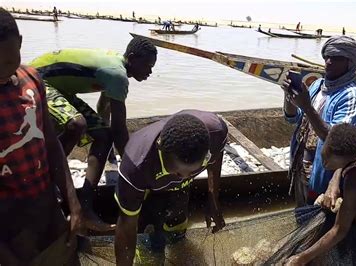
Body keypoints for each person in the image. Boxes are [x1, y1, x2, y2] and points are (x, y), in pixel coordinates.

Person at [0, 8, 110, 265]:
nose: (3, 71)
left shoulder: (33, 80)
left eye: (7, 62)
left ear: (20, 44)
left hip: (46, 204)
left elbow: (51, 144)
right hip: (8, 220)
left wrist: (73, 203)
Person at [29, 37, 157, 220]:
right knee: (76, 124)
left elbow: (103, 109)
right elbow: (120, 130)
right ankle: (48, 177)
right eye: (147, 65)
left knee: (103, 135)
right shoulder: (117, 74)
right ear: (132, 58)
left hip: (60, 87)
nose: (150, 71)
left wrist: (108, 148)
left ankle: (86, 204)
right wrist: (132, 171)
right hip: (35, 79)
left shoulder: (116, 71)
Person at [114, 110, 228, 265]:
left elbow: (216, 158)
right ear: (161, 149)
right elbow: (126, 224)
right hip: (150, 190)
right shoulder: (136, 167)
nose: (186, 176)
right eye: (178, 172)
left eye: (193, 171)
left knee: (177, 233)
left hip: (177, 189)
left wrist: (213, 200)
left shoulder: (216, 132)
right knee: (151, 246)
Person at [285, 123, 356, 265]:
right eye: (324, 155)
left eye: (329, 161)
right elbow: (342, 162)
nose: (325, 163)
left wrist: (301, 258)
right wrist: (333, 183)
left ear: (348, 158)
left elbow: (340, 229)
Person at [282, 36, 356, 207]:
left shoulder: (351, 95)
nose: (328, 62)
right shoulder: (317, 85)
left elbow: (337, 141)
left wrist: (306, 106)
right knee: (301, 211)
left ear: (350, 63)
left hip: (324, 171)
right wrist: (288, 96)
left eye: (336, 58)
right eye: (327, 57)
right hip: (300, 164)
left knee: (320, 215)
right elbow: (293, 119)